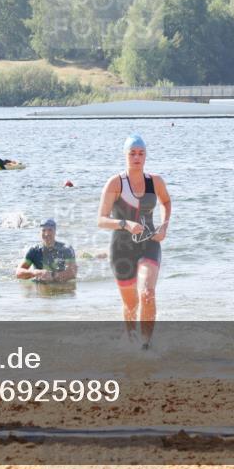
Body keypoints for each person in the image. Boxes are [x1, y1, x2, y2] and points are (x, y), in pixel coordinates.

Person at [98, 134, 171, 349]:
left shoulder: (155, 181)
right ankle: (130, 340)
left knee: (147, 293)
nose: (137, 158)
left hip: (149, 242)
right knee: (131, 305)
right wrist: (125, 224)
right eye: (132, 154)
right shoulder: (115, 183)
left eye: (141, 154)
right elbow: (101, 220)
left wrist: (164, 225)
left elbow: (166, 201)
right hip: (121, 248)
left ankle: (146, 345)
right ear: (125, 156)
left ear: (145, 156)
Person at [16, 219, 77, 283]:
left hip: (60, 284)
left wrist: (53, 276)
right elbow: (18, 272)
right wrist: (36, 272)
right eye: (43, 230)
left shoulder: (66, 249)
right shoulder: (34, 251)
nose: (46, 233)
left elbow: (72, 273)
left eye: (50, 230)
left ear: (55, 231)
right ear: (40, 233)